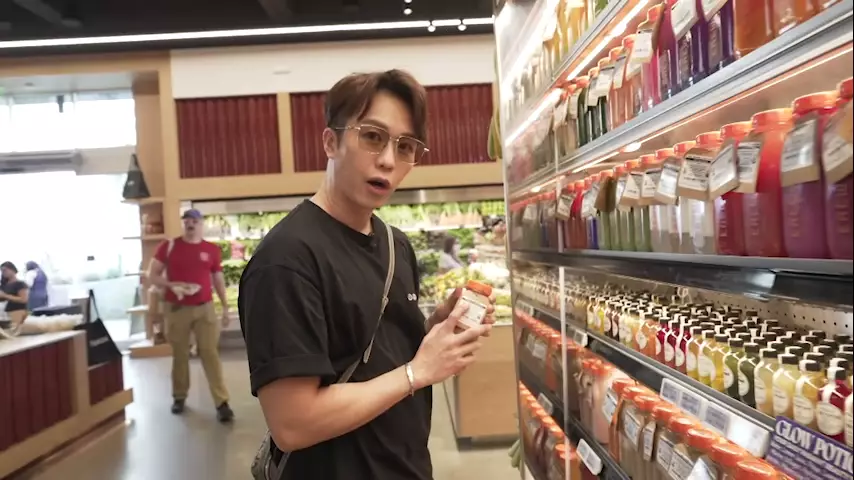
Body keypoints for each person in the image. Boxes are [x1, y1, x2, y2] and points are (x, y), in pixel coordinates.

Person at [239, 69, 495, 480]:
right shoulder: (286, 260)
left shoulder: (396, 245)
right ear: (331, 142)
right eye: (372, 137)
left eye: (405, 146)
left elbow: (378, 355)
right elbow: (292, 424)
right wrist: (417, 372)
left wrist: (433, 332)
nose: (389, 160)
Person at [147, 208, 234, 422]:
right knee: (180, 354)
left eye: (194, 221)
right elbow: (152, 275)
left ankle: (221, 402)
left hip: (205, 308)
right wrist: (172, 285)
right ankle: (179, 396)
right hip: (177, 308)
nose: (190, 224)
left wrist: (225, 307)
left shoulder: (211, 250)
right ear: (183, 224)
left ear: (201, 224)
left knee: (209, 353)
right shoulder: (168, 247)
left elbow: (218, 279)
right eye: (186, 220)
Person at [0, 261, 29, 327]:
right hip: (5, 314)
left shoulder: (20, 284)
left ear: (12, 270)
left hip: (17, 312)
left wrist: (5, 296)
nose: (4, 272)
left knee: (15, 329)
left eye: (5, 270)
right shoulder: (4, 285)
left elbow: (23, 299)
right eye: (2, 271)